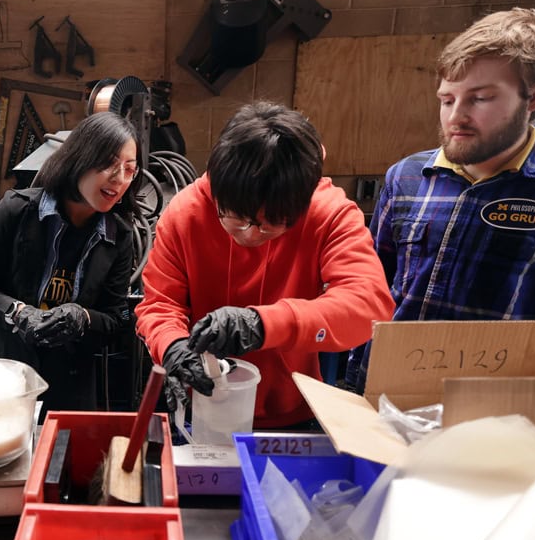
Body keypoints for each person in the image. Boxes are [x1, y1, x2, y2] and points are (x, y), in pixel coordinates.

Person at [347, 7, 535, 390]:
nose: (455, 117)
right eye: (447, 99)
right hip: (387, 394)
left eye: (479, 99)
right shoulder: (407, 177)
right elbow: (373, 292)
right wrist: (355, 384)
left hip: (497, 413)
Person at [135, 101, 395, 429]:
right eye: (233, 217)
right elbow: (160, 305)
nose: (248, 234)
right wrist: (171, 346)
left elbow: (368, 307)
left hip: (293, 411)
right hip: (201, 405)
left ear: (300, 204)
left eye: (269, 223)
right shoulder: (185, 213)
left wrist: (263, 324)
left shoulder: (329, 214)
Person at [0, 112, 138, 413]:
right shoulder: (15, 212)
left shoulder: (118, 237)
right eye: (109, 163)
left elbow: (116, 317)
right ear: (80, 158)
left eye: (130, 169)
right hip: (7, 374)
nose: (120, 179)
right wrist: (17, 312)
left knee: (68, 457)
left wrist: (82, 316)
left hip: (72, 385)